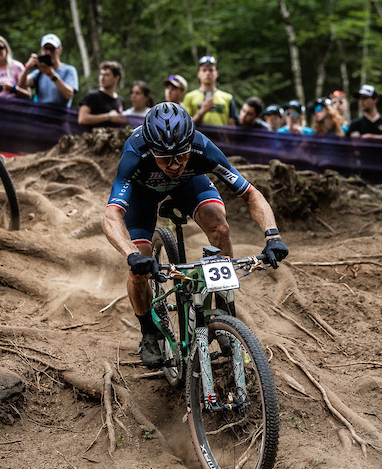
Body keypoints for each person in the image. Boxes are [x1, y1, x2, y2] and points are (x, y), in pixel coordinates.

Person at [102, 102, 289, 367]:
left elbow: (250, 193)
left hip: (189, 185)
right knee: (139, 265)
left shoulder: (202, 147)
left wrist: (272, 236)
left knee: (221, 228)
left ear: (190, 145)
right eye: (165, 158)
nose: (175, 164)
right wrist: (131, 254)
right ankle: (149, 332)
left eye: (182, 155)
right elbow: (111, 216)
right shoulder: (136, 152)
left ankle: (224, 314)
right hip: (143, 195)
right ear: (151, 148)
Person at [19, 33, 79, 108]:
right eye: (46, 49)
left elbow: (69, 94)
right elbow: (21, 84)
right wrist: (27, 67)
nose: (49, 52)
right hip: (40, 115)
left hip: (60, 116)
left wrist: (51, 74)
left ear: (59, 50)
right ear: (41, 50)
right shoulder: (39, 72)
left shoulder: (69, 70)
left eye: (52, 49)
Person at [183, 55, 238, 126]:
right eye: (204, 70)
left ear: (217, 73)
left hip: (220, 137)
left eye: (211, 70)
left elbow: (232, 127)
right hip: (197, 137)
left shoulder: (228, 98)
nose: (207, 73)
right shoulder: (189, 97)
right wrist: (201, 112)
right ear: (198, 74)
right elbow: (185, 126)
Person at [78, 61, 126, 127]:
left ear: (116, 78)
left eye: (106, 75)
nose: (102, 78)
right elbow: (82, 119)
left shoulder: (120, 100)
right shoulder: (92, 96)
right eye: (101, 74)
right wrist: (108, 116)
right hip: (95, 136)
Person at [0, 34, 30, 99]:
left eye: (0, 48)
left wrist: (13, 88)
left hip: (14, 106)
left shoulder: (17, 66)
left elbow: (28, 95)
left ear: (6, 50)